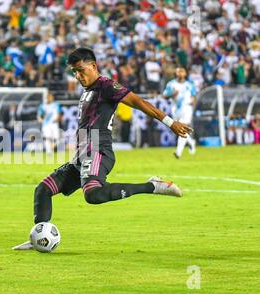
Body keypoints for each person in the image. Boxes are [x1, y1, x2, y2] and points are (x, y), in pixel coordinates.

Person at [13, 47, 193, 250]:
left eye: (81, 70)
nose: (78, 76)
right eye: (74, 72)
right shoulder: (87, 92)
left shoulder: (106, 85)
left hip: (99, 148)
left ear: (93, 66)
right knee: (43, 189)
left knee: (93, 194)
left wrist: (170, 122)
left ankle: (152, 186)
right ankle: (39, 237)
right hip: (81, 155)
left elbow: (138, 102)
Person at [162, 67, 197, 159]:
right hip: (176, 110)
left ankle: (178, 152)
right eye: (178, 71)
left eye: (182, 71)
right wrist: (172, 94)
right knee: (179, 130)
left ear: (185, 73)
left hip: (186, 109)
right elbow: (165, 95)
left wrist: (192, 103)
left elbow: (194, 96)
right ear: (176, 73)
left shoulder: (190, 84)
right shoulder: (171, 84)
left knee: (182, 128)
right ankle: (191, 142)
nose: (180, 73)